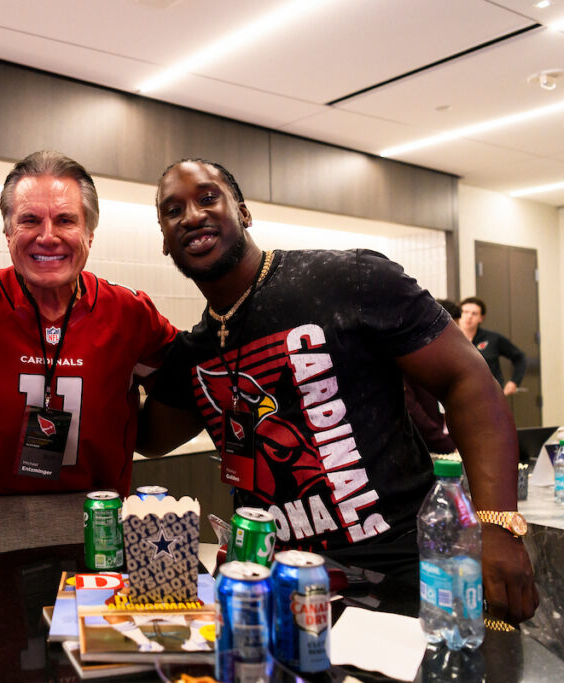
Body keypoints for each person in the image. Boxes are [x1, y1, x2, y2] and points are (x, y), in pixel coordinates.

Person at [138, 158, 537, 624]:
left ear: (243, 212)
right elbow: (150, 437)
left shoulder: (349, 280)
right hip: (282, 589)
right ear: (165, 243)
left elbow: (467, 380)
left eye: (208, 198)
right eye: (172, 210)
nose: (191, 215)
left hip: (406, 576)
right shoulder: (196, 354)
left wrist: (497, 526)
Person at [0, 151, 176, 496]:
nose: (48, 236)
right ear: (8, 232)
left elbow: (189, 388)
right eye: (30, 220)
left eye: (66, 220)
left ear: (90, 234)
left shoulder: (130, 314)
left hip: (95, 526)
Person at [405, 299, 460, 455]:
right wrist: (446, 444)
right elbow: (412, 409)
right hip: (420, 449)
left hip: (444, 442)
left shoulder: (445, 356)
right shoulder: (409, 355)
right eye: (451, 330)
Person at [458, 296, 527, 396]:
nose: (469, 316)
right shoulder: (450, 340)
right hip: (460, 396)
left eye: (474, 313)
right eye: (465, 312)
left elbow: (520, 357)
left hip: (491, 396)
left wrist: (515, 381)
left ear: (481, 318)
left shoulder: (493, 338)